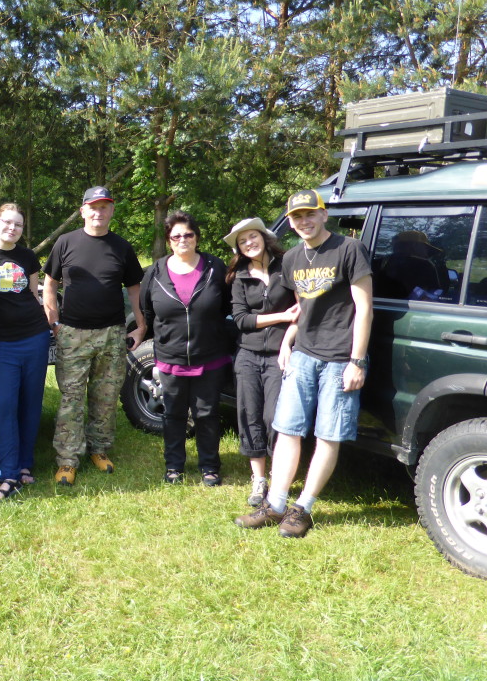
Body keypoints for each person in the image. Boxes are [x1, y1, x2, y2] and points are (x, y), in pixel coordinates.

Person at [235, 189, 373, 537]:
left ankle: (304, 508)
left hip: (340, 358)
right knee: (287, 429)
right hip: (304, 355)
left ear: (324, 215)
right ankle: (276, 504)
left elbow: (364, 308)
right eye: (296, 217)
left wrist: (356, 360)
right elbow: (301, 309)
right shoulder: (293, 259)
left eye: (310, 214)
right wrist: (288, 340)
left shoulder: (349, 249)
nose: (304, 221)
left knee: (328, 434)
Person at [43, 186, 147, 486]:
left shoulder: (121, 247)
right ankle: (67, 460)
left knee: (105, 397)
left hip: (111, 334)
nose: (99, 212)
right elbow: (49, 283)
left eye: (105, 207)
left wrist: (140, 325)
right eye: (94, 207)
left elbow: (134, 289)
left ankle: (99, 450)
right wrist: (54, 320)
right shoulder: (66, 242)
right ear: (83, 210)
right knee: (71, 399)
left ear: (111, 211)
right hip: (73, 333)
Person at [141, 211, 231, 486]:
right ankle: (174, 466)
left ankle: (209, 466)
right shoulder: (155, 272)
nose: (183, 240)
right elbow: (147, 309)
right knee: (174, 413)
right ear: (169, 241)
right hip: (171, 357)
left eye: (188, 235)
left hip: (210, 356)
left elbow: (228, 306)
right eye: (176, 236)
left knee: (206, 413)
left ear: (197, 237)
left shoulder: (216, 268)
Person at [0, 203, 52, 501]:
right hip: (1, 342)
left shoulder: (27, 256)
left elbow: (32, 294)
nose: (13, 228)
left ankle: (24, 466)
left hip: (34, 337)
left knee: (30, 403)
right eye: (7, 222)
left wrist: (48, 323)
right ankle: (7, 473)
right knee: (3, 406)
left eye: (18, 225)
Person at [225, 217, 299, 505]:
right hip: (247, 354)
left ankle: (280, 475)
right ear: (239, 249)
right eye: (243, 242)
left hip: (280, 355)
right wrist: (281, 317)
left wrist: (288, 340)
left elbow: (302, 306)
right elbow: (242, 320)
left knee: (275, 417)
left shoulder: (287, 266)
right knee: (249, 415)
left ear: (265, 238)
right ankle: (259, 480)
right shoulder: (239, 277)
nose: (249, 243)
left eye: (252, 237)